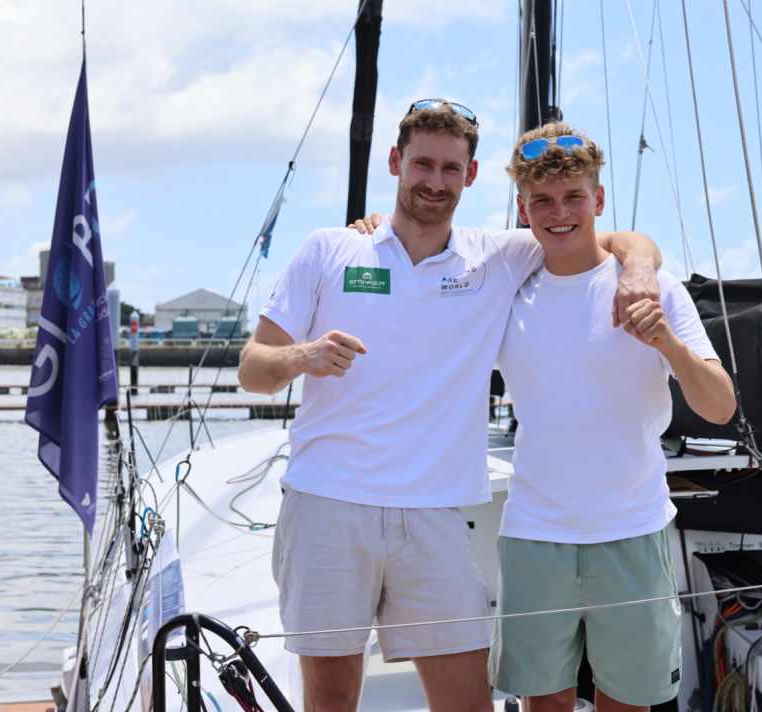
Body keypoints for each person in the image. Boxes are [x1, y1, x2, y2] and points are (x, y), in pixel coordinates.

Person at [237, 100, 664, 712]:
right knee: (329, 701)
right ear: (396, 162)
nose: (434, 181)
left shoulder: (497, 256)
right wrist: (303, 356)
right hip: (327, 504)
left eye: (449, 168)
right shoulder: (328, 250)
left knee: (469, 704)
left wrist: (641, 269)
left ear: (470, 175)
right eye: (422, 164)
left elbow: (609, 235)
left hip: (435, 514)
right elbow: (254, 370)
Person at [488, 122, 736, 712]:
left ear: (598, 200)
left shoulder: (655, 287)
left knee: (626, 703)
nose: (559, 213)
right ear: (524, 210)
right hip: (534, 534)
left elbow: (721, 407)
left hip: (633, 528)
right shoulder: (505, 288)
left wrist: (668, 344)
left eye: (574, 197)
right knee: (541, 704)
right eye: (542, 202)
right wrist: (369, 230)